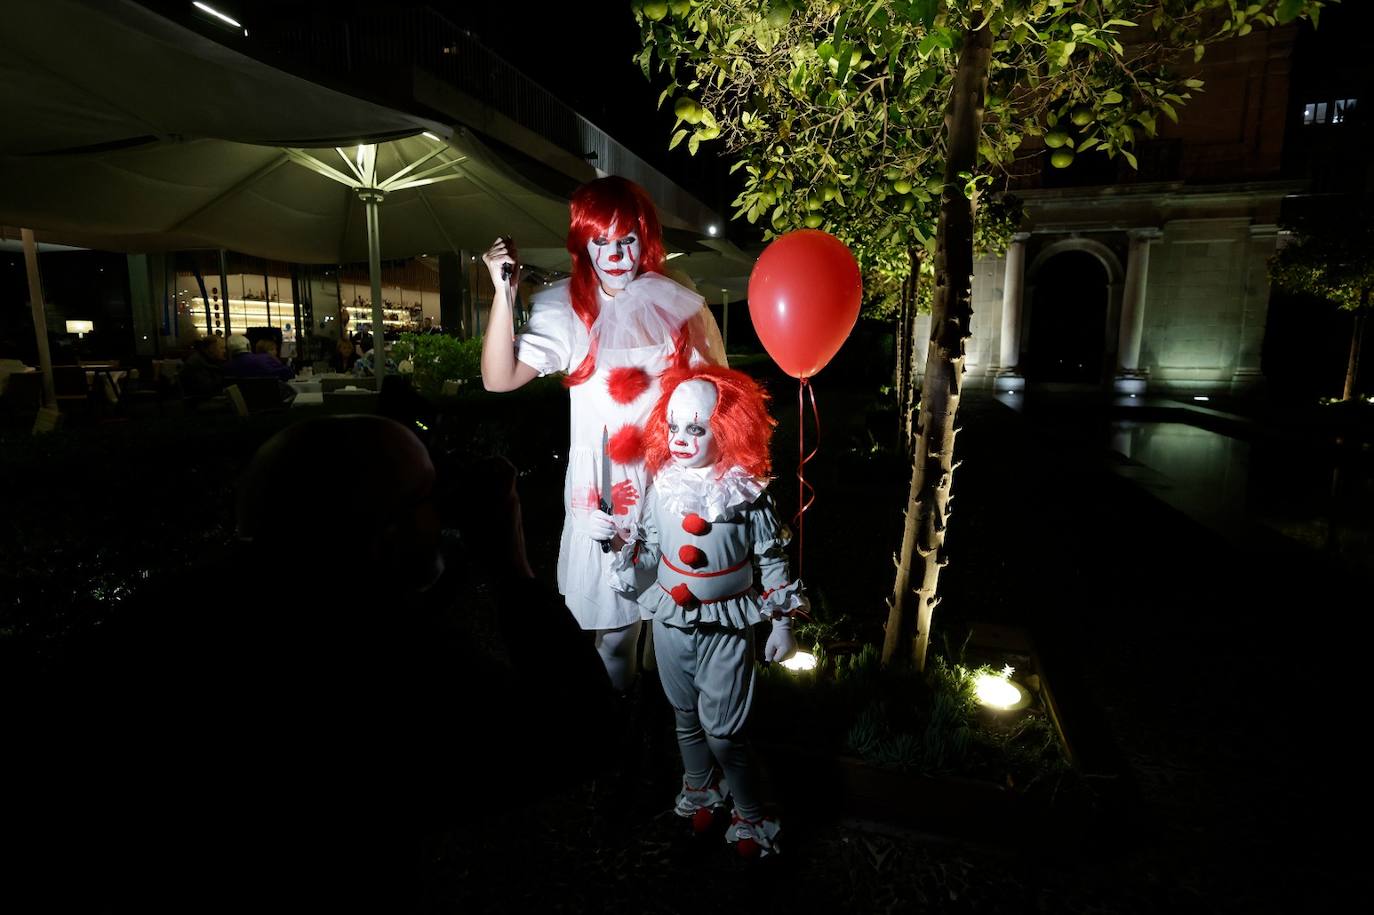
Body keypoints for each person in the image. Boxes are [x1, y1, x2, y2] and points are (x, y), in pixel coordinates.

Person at [4, 416, 616, 909]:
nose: (445, 514)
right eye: (430, 498)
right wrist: (510, 569)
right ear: (382, 532)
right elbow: (581, 735)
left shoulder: (159, 617)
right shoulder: (377, 654)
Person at [480, 176, 726, 693]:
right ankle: (617, 739)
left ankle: (672, 738)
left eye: (628, 238)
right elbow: (498, 379)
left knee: (675, 629)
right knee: (614, 634)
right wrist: (503, 294)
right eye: (601, 240)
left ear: (646, 236)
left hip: (671, 481)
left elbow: (715, 396)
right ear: (583, 243)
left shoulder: (674, 300)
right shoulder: (566, 308)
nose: (615, 254)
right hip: (605, 490)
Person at [610, 365, 803, 857]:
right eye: (674, 427)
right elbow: (651, 555)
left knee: (725, 733)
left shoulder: (745, 495)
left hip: (725, 624)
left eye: (695, 428)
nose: (680, 439)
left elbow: (773, 559)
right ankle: (698, 788)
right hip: (671, 621)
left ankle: (750, 812)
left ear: (727, 429)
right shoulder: (662, 487)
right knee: (684, 716)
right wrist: (622, 552)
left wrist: (782, 623)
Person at [224, 333, 293, 380]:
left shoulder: (226, 367)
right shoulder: (265, 358)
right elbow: (288, 373)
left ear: (229, 350)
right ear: (248, 346)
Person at [178, 333, 227, 400]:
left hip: (206, 397)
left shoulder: (207, 360)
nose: (224, 351)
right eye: (221, 348)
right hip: (200, 401)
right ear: (211, 348)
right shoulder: (196, 364)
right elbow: (206, 389)